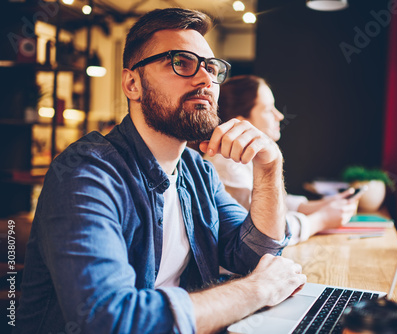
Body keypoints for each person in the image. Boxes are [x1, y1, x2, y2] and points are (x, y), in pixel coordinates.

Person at [14, 8, 306, 334]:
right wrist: (257, 290)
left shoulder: (197, 171)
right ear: (132, 83)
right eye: (180, 62)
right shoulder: (85, 174)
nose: (205, 79)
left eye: (211, 67)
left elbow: (254, 255)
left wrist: (268, 166)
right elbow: (110, 320)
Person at [205, 75, 361, 245]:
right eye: (268, 109)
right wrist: (321, 219)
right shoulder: (226, 163)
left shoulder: (244, 157)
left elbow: (270, 201)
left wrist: (321, 205)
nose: (279, 115)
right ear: (241, 122)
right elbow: (263, 231)